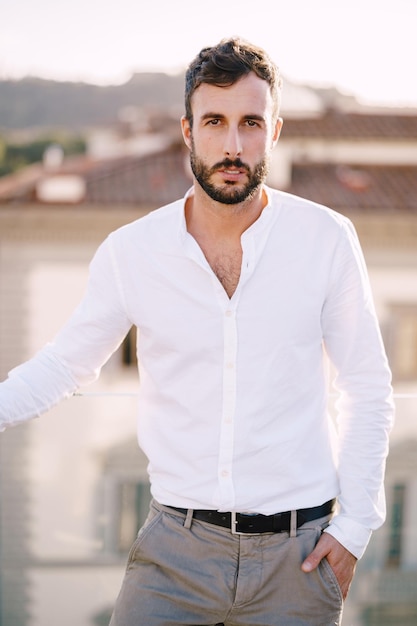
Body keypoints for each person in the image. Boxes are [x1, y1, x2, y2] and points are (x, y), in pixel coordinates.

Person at [0, 37, 394, 626]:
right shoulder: (133, 252)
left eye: (250, 123)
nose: (232, 146)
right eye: (215, 121)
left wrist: (356, 526)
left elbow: (365, 384)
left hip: (301, 558)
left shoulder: (327, 240)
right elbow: (65, 364)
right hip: (174, 554)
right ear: (188, 130)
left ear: (275, 132)